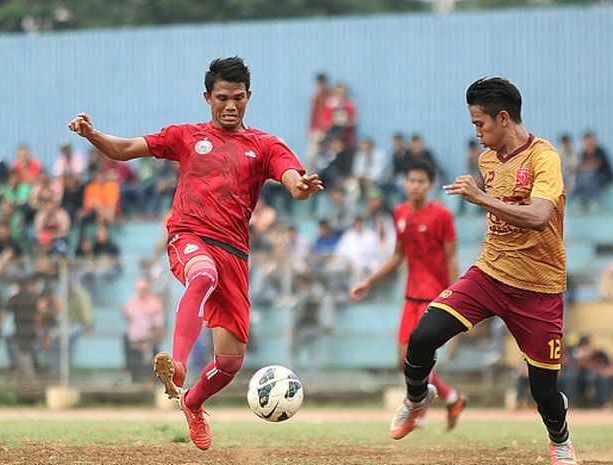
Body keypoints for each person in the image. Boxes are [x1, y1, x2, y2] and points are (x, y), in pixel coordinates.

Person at [68, 56, 323, 450]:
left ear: (249, 97)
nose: (230, 105)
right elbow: (124, 149)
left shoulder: (265, 145)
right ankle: (179, 365)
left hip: (235, 253)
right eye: (222, 97)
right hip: (190, 236)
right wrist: (92, 134)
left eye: (238, 97)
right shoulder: (186, 136)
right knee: (202, 273)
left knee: (230, 364)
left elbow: (292, 176)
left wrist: (300, 186)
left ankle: (192, 402)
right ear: (207, 97)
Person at [388, 78, 578, 465]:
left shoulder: (544, 158)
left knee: (543, 390)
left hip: (538, 287)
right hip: (490, 274)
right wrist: (483, 197)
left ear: (503, 118)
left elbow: (541, 217)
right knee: (421, 338)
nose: (476, 133)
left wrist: (480, 198)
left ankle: (560, 440)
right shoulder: (487, 159)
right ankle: (416, 398)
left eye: (481, 124)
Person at [350, 160, 465, 430]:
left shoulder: (442, 216)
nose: (415, 185)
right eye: (411, 180)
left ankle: (420, 411)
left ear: (430, 185)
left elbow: (451, 258)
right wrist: (369, 281)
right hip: (411, 296)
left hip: (435, 298)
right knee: (403, 362)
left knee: (417, 359)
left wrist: (456, 296)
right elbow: (398, 256)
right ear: (405, 183)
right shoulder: (400, 213)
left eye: (420, 181)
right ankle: (450, 397)